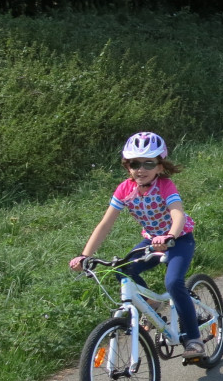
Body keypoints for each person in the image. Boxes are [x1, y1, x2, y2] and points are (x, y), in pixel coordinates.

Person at [69, 132, 205, 359]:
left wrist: (170, 235)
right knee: (121, 269)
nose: (140, 169)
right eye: (134, 163)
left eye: (148, 163)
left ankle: (194, 338)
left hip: (178, 239)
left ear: (159, 167)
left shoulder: (165, 186)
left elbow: (178, 214)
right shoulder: (124, 189)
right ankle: (153, 307)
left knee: (173, 282)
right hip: (152, 240)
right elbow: (105, 224)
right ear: (127, 165)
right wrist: (84, 256)